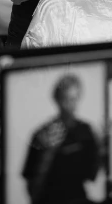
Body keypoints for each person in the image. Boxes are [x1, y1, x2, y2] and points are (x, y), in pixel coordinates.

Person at [22, 74, 100, 204]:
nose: (70, 105)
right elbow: (30, 178)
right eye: (66, 99)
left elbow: (92, 174)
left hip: (78, 197)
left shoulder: (85, 130)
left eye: (74, 99)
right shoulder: (41, 134)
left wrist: (102, 148)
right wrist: (47, 152)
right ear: (57, 99)